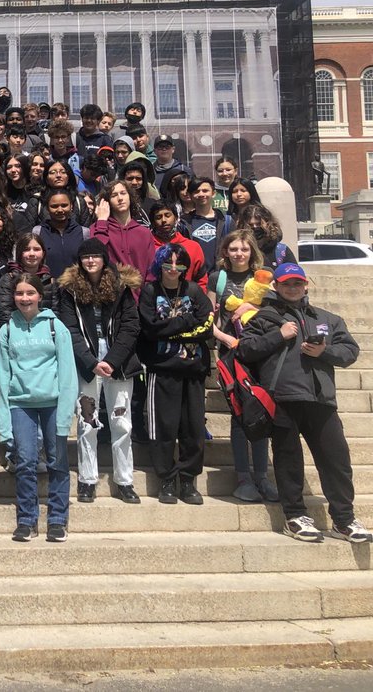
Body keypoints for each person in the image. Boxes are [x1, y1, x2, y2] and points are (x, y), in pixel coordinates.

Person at [236, 263, 370, 544]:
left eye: (297, 283)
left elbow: (350, 352)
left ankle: (344, 520)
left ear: (306, 285)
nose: (292, 288)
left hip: (321, 400)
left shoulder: (328, 318)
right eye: (287, 283)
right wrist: (279, 335)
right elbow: (246, 350)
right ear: (276, 286)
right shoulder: (263, 318)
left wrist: (325, 351)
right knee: (288, 461)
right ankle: (295, 516)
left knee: (337, 461)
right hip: (283, 399)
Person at [57, 238, 143, 505]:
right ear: (80, 261)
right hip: (86, 365)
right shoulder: (69, 291)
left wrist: (112, 360)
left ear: (104, 259)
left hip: (119, 364)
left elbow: (131, 326)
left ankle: (125, 480)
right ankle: (87, 479)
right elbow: (69, 329)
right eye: (86, 257)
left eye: (96, 256)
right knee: (87, 422)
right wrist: (91, 362)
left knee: (121, 422)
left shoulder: (121, 287)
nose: (91, 261)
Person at [0, 272, 77, 543]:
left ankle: (56, 519)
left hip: (52, 403)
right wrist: (4, 423)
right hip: (21, 404)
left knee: (58, 462)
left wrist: (65, 414)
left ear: (40, 295)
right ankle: (27, 520)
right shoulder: (6, 330)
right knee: (26, 462)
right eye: (20, 293)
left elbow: (67, 374)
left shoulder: (56, 327)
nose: (25, 298)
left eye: (30, 293)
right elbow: (3, 378)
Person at [138, 243, 214, 505]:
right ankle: (167, 479)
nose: (173, 269)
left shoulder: (193, 291)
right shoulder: (150, 291)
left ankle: (188, 479)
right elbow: (150, 329)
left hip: (192, 369)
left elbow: (206, 324)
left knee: (193, 427)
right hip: (162, 368)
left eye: (179, 264)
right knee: (164, 426)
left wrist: (170, 328)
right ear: (159, 264)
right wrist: (185, 323)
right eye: (168, 263)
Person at [207, 229, 278, 503]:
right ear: (226, 251)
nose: (239, 254)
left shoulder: (263, 277)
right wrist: (226, 340)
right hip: (232, 354)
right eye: (234, 249)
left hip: (261, 352)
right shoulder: (219, 278)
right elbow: (208, 318)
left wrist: (250, 307)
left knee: (260, 414)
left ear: (252, 252)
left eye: (244, 249)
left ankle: (262, 476)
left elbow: (275, 311)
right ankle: (243, 478)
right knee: (239, 415)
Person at [91, 180, 154, 280]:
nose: (120, 198)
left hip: (141, 293)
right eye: (114, 195)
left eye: (123, 193)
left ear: (130, 197)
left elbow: (151, 270)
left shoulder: (144, 233)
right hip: (109, 291)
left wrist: (146, 294)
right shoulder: (98, 227)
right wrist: (102, 221)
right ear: (107, 202)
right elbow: (96, 254)